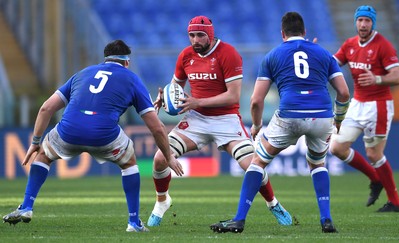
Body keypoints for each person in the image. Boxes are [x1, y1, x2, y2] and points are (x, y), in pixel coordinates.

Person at [2, 40, 183, 232]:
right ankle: (133, 222)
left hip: (69, 131)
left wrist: (35, 142)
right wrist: (169, 156)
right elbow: (156, 128)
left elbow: (46, 108)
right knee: (129, 162)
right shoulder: (132, 79)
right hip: (103, 135)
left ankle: (27, 206)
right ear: (126, 62)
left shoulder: (82, 73)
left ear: (105, 60)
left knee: (43, 155)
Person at [210, 11, 350, 234]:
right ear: (304, 32)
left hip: (290, 114)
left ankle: (239, 219)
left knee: (257, 162)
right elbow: (343, 92)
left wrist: (256, 125)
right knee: (317, 164)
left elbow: (256, 100)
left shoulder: (273, 56)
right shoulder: (324, 55)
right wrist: (339, 119)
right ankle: (326, 220)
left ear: (282, 34)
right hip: (322, 116)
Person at [147, 15, 293, 227]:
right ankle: (162, 202)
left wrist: (198, 102)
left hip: (226, 119)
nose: (195, 40)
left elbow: (233, 96)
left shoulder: (228, 54)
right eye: (191, 35)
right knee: (160, 159)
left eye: (199, 35)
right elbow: (175, 88)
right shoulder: (186, 56)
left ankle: (273, 203)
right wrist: (165, 97)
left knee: (252, 166)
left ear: (210, 35)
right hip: (196, 119)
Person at [330, 5, 399, 212]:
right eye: (360, 20)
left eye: (367, 21)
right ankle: (375, 178)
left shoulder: (383, 45)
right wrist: (314, 54)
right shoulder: (350, 44)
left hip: (378, 106)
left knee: (373, 154)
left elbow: (397, 74)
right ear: (355, 22)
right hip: (357, 104)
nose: (363, 24)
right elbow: (332, 63)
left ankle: (395, 202)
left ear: (373, 23)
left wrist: (378, 78)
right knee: (337, 147)